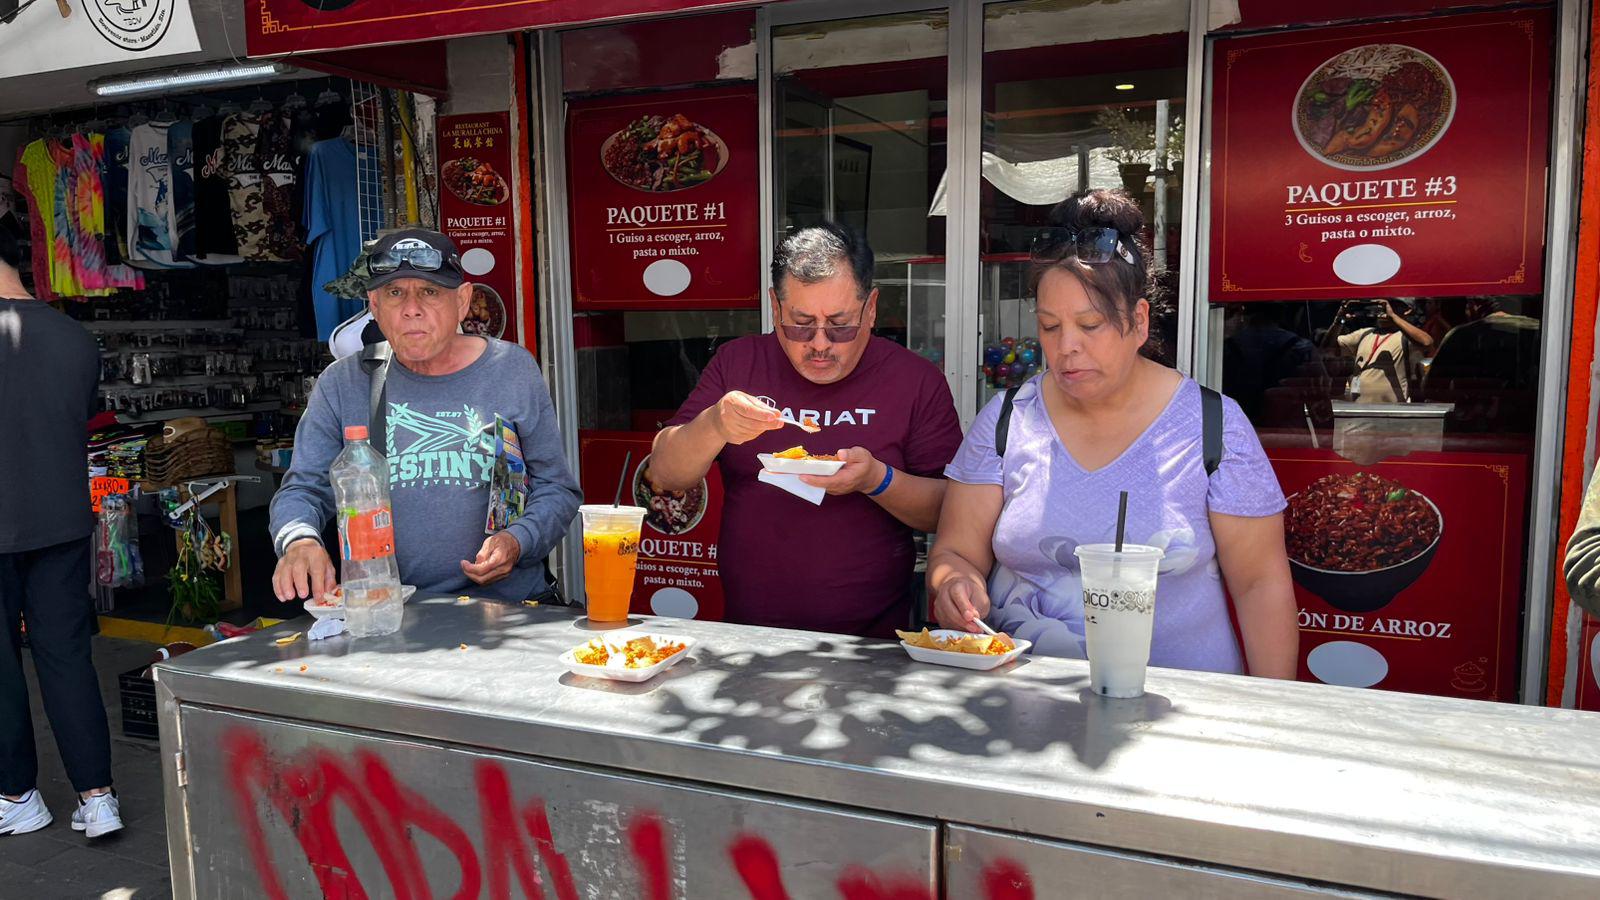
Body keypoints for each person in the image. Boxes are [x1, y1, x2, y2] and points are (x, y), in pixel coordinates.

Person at [927, 189, 1298, 678]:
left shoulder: (1213, 425)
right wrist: (954, 584)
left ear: (1139, 321)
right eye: (1049, 326)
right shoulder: (1007, 420)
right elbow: (956, 551)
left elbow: (1260, 584)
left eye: (1090, 324)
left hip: (1181, 710)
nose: (1067, 348)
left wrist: (1273, 718)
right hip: (1021, 703)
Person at [648, 223, 963, 637]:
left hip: (874, 641)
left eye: (840, 324)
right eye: (799, 323)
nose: (819, 343)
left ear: (871, 309)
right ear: (775, 309)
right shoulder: (738, 363)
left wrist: (876, 479)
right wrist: (715, 424)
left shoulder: (914, 379)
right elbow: (664, 474)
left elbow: (951, 509)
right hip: (749, 632)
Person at [270, 229, 581, 604]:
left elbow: (556, 488)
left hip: (507, 608)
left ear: (463, 302)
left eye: (430, 292)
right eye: (395, 293)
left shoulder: (511, 369)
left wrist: (518, 540)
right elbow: (303, 488)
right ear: (374, 305)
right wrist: (299, 538)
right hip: (388, 612)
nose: (411, 308)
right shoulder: (343, 383)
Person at [0, 221, 123, 838]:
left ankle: (18, 794)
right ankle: (97, 796)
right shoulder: (75, 337)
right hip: (61, 520)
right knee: (68, 657)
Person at [1329, 299, 1433, 403]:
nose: (1383, 308)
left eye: (1390, 304)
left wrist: (1393, 316)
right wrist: (1338, 320)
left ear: (1407, 310)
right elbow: (1328, 348)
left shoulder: (1406, 337)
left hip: (1391, 410)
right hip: (1359, 409)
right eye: (1381, 305)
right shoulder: (1365, 334)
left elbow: (1427, 343)